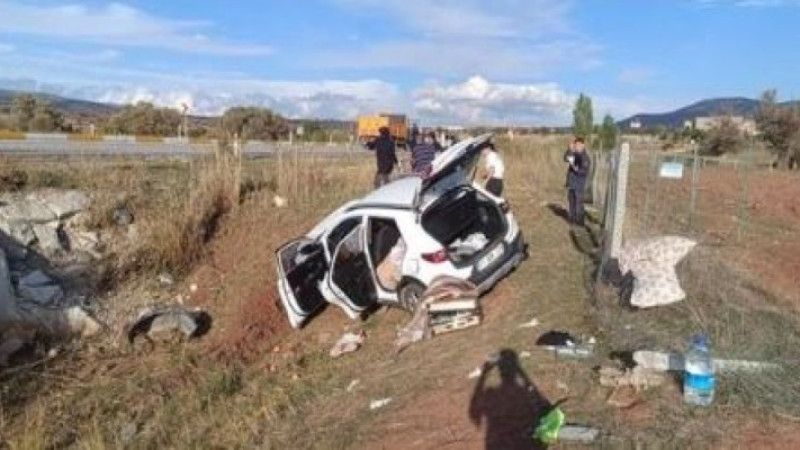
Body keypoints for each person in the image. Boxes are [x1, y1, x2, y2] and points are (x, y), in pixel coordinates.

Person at [565, 137, 591, 225]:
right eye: (576, 145)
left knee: (578, 203)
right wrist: (569, 150)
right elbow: (565, 158)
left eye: (579, 145)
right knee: (571, 201)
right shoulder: (574, 154)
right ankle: (572, 220)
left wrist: (576, 168)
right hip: (572, 183)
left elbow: (584, 172)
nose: (577, 147)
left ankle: (580, 222)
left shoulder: (585, 157)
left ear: (583, 146)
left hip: (579, 184)